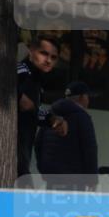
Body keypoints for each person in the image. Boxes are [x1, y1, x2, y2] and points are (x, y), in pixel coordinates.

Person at [17, 35, 67, 179]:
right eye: (44, 53)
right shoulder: (21, 72)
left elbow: (31, 109)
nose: (48, 60)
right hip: (10, 151)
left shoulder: (36, 80)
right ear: (31, 51)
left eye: (54, 57)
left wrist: (50, 119)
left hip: (22, 152)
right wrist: (18, 96)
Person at [35, 81, 98, 190]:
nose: (88, 100)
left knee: (52, 206)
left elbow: (38, 143)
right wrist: (92, 179)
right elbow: (89, 149)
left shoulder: (50, 115)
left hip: (51, 177)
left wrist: (44, 169)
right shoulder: (82, 118)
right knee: (73, 207)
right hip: (75, 180)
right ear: (82, 97)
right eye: (87, 97)